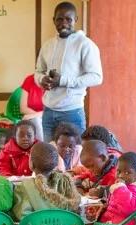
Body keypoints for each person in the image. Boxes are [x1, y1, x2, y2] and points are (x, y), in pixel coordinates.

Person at [35, 2, 103, 142]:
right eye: (60, 19)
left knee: (75, 157)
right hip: (48, 111)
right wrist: (42, 79)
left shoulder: (85, 44)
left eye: (68, 19)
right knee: (49, 158)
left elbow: (96, 77)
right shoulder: (47, 45)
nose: (64, 23)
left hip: (72, 111)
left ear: (76, 20)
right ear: (53, 20)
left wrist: (63, 80)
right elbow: (38, 71)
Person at [18, 73, 46, 137]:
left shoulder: (54, 81)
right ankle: (41, 146)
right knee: (37, 121)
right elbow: (23, 108)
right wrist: (36, 117)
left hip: (48, 118)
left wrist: (34, 115)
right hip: (32, 119)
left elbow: (54, 110)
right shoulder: (29, 79)